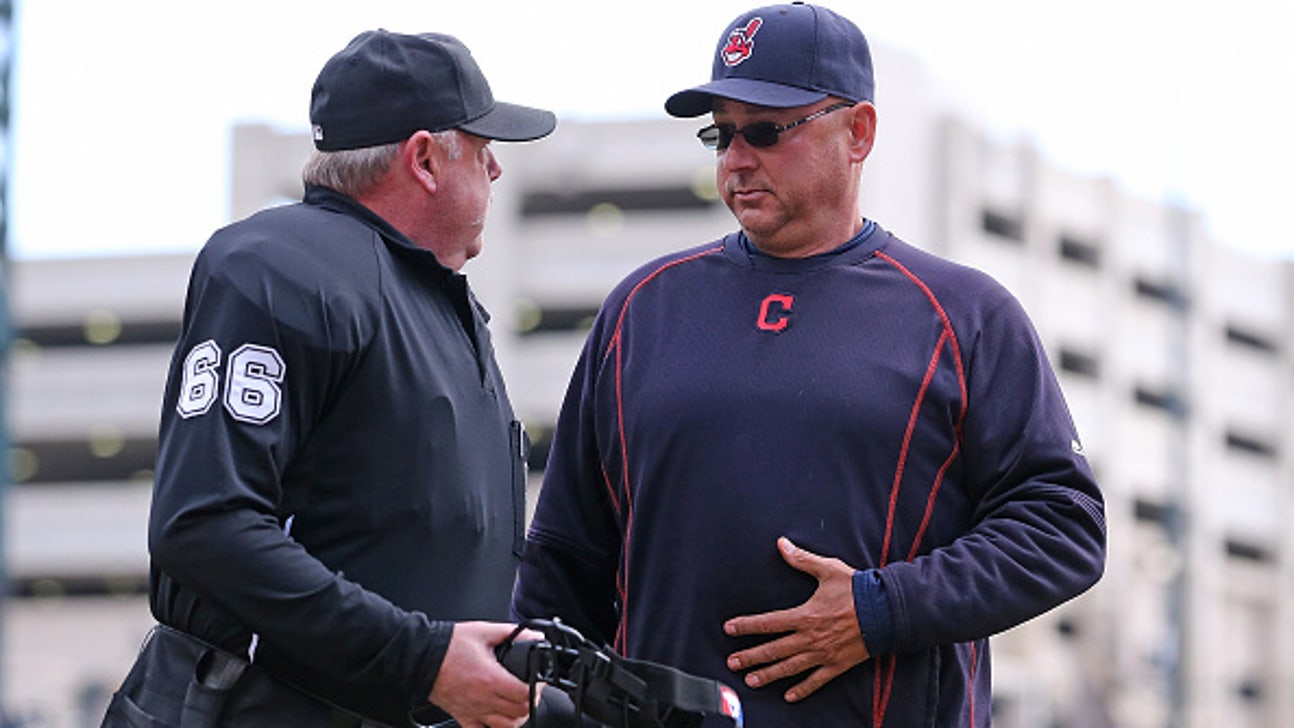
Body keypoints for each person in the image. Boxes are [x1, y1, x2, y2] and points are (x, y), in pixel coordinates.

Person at [511, 3, 1106, 726]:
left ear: (858, 132)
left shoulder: (964, 315)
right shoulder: (641, 309)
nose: (736, 158)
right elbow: (564, 560)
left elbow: (1063, 526)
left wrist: (881, 608)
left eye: (765, 130)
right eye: (721, 134)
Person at [102, 29, 555, 728]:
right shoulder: (275, 264)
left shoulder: (441, 301)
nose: (495, 170)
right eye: (482, 147)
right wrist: (422, 660)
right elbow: (206, 526)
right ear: (426, 158)